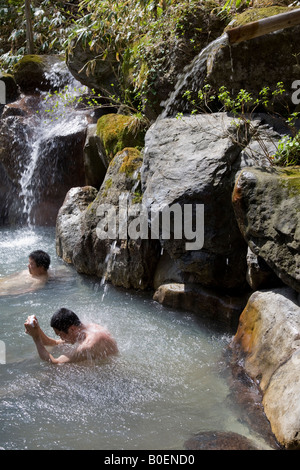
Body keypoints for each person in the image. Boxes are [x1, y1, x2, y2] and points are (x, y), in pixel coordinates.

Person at [24, 308, 118, 364]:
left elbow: (56, 363)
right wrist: (36, 330)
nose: (61, 338)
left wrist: (36, 338)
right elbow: (53, 343)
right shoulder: (85, 329)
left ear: (72, 329)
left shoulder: (88, 345)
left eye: (61, 335)